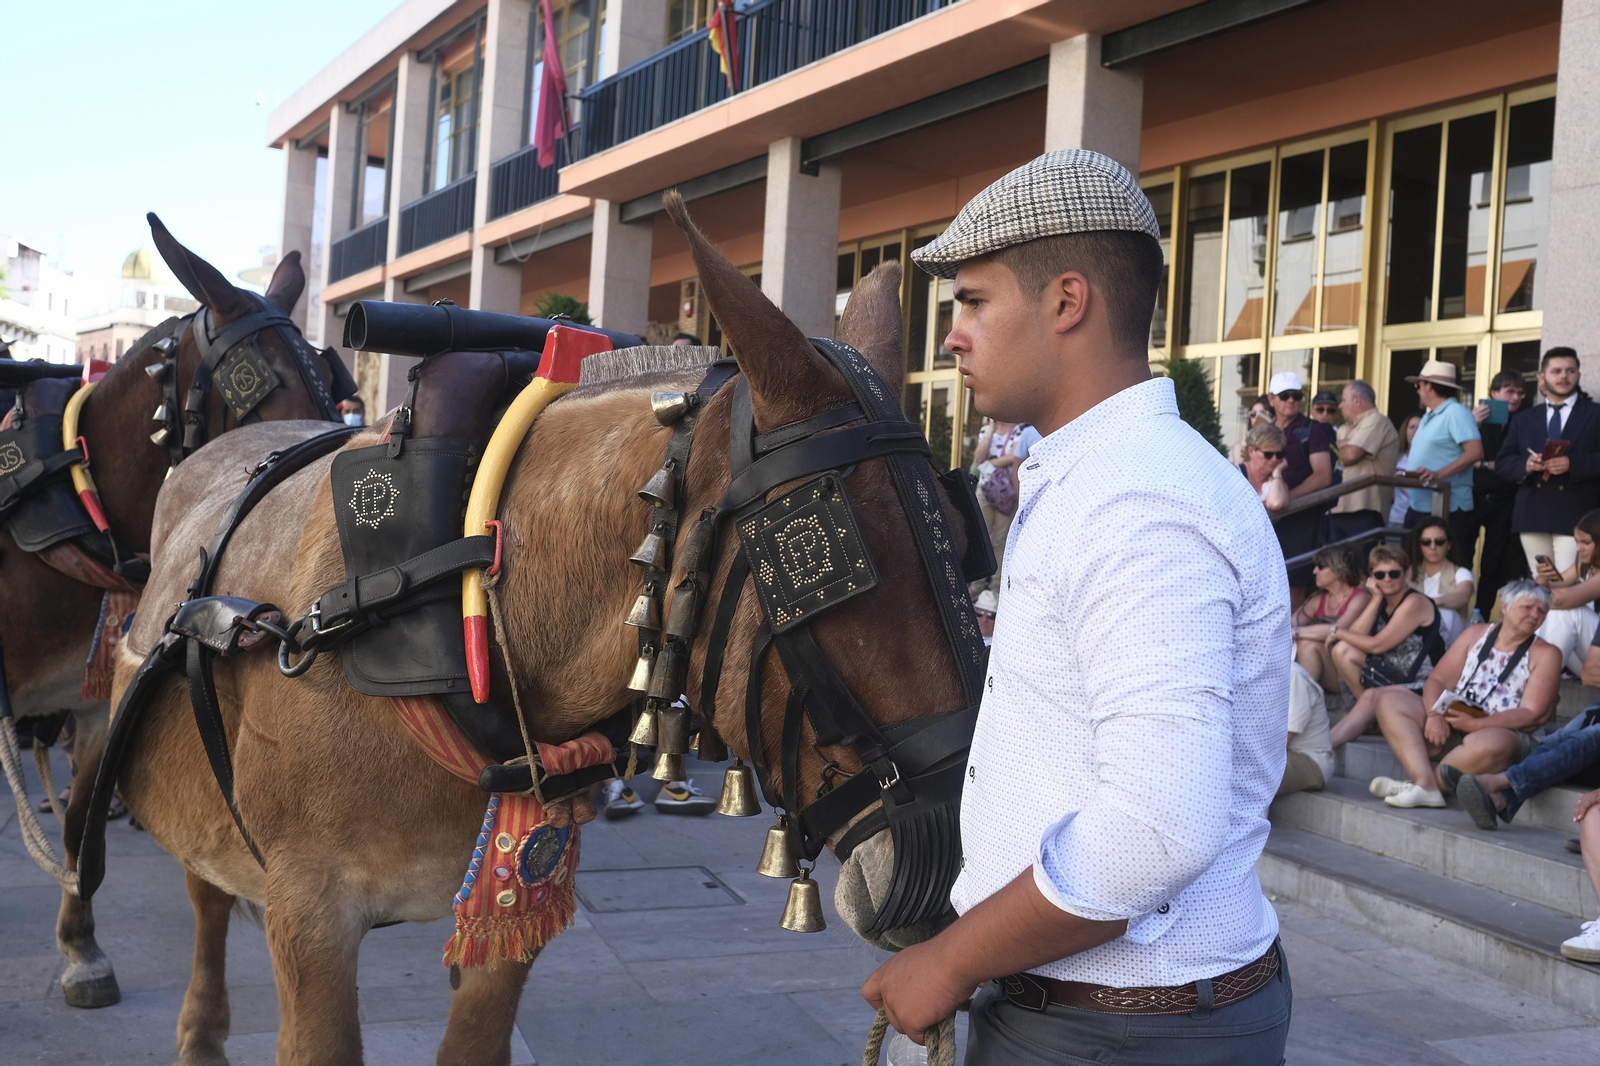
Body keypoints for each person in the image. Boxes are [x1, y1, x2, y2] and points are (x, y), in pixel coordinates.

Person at [862, 150, 1291, 1063]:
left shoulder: (1137, 503)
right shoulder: (1102, 476)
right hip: (1096, 1013)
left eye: (973, 300)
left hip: (1119, 1028)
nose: (953, 335)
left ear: (1066, 302)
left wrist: (948, 960)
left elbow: (1155, 827)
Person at [1365, 581, 1558, 809]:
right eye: (1527, 607)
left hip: (1502, 730)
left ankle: (1418, 786)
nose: (1535, 614)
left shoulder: (1547, 653)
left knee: (1495, 743)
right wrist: (1434, 714)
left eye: (1541, 611)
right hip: (1456, 714)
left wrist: (1478, 725)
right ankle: (1425, 783)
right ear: (1505, 607)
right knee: (1389, 700)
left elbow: (1531, 714)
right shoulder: (1476, 633)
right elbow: (1437, 680)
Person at [1496, 347, 1600, 578]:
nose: (1564, 376)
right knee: (1541, 585)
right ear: (1543, 377)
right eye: (1556, 371)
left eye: (1570, 370)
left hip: (1577, 515)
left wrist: (1573, 464)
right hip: (1533, 513)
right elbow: (1503, 462)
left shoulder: (1595, 414)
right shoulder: (1524, 419)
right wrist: (1526, 465)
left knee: (1569, 584)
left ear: (1578, 375)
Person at [1327, 544, 1445, 745]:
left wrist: (1337, 631)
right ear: (1372, 578)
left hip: (1418, 681)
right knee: (1342, 651)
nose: (1387, 579)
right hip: (1389, 672)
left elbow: (1375, 646)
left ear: (1406, 573)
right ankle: (1372, 719)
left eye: (1394, 573)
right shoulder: (1380, 600)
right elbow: (1355, 637)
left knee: (1368, 690)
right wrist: (1375, 599)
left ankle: (1325, 746)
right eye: (1380, 575)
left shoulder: (1414, 602)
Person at [1403, 359, 1484, 559]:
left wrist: (1438, 475)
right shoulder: (1431, 416)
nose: (1417, 390)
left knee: (1448, 569)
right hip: (1421, 505)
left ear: (1429, 386)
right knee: (1414, 568)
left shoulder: (1456, 413)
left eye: (1418, 385)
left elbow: (1475, 452)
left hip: (1447, 508)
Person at [1472, 370, 1529, 619]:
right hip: (1473, 496)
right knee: (1462, 553)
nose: (1515, 397)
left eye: (1520, 393)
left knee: (1495, 561)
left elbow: (1520, 462)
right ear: (1494, 393)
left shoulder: (1526, 422)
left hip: (1507, 498)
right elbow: (1455, 453)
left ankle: (1483, 612)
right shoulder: (1474, 419)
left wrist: (1486, 464)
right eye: (1509, 391)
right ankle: (1459, 612)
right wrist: (1472, 424)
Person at [968, 418, 1041, 594]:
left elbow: (1014, 457)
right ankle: (976, 585)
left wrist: (990, 463)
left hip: (1005, 493)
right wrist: (990, 433)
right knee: (980, 537)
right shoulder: (986, 431)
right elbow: (978, 458)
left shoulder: (1020, 430)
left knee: (1000, 540)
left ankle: (996, 587)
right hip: (985, 490)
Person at [1328, 380, 1399, 544]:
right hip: (1338, 508)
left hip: (1365, 509)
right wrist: (1345, 445)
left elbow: (1350, 455)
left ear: (1357, 400)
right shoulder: (1346, 427)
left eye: (1344, 400)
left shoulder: (1377, 421)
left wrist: (1341, 445)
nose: (1340, 406)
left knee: (1362, 565)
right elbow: (1334, 451)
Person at [1292, 544, 1370, 691]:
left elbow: (1337, 630)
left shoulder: (1360, 598)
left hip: (1347, 668)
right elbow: (1290, 623)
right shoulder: (1319, 598)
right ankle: (1300, 699)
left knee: (1307, 644)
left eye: (1321, 566)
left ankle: (1299, 700)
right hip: (1325, 665)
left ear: (1338, 569)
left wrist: (1296, 631)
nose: (1315, 571)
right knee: (1307, 644)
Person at [1531, 508, 1600, 675]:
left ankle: (1531, 676)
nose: (1579, 548)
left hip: (1596, 657)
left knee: (1569, 612)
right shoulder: (1584, 565)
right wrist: (1542, 580)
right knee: (1550, 609)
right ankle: (1529, 670)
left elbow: (1562, 600)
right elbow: (1557, 586)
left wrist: (1525, 599)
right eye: (1577, 542)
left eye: (1585, 542)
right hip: (1587, 655)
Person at [1404, 518, 1474, 646]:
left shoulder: (1461, 572)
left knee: (1447, 614)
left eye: (1439, 541)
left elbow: (1463, 595)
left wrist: (1432, 602)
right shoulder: (1407, 573)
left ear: (1448, 545)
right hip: (1411, 631)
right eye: (1426, 542)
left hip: (1450, 638)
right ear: (1419, 545)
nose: (1433, 547)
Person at [1282, 660, 1335, 795]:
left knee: (1247, 772)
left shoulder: (1293, 674)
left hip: (1309, 760)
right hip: (1280, 754)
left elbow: (1284, 740)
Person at [1238, 422, 1289, 512]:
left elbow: (1276, 503)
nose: (1274, 459)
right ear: (1251, 451)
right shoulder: (1235, 473)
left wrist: (1277, 472)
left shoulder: (1276, 481)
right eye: (1268, 454)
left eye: (1279, 454)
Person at [1389, 412, 1423, 527]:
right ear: (1405, 430)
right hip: (1397, 516)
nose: (1415, 431)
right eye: (1412, 427)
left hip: (1420, 516)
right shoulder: (1396, 456)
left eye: (1420, 427)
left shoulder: (1429, 459)